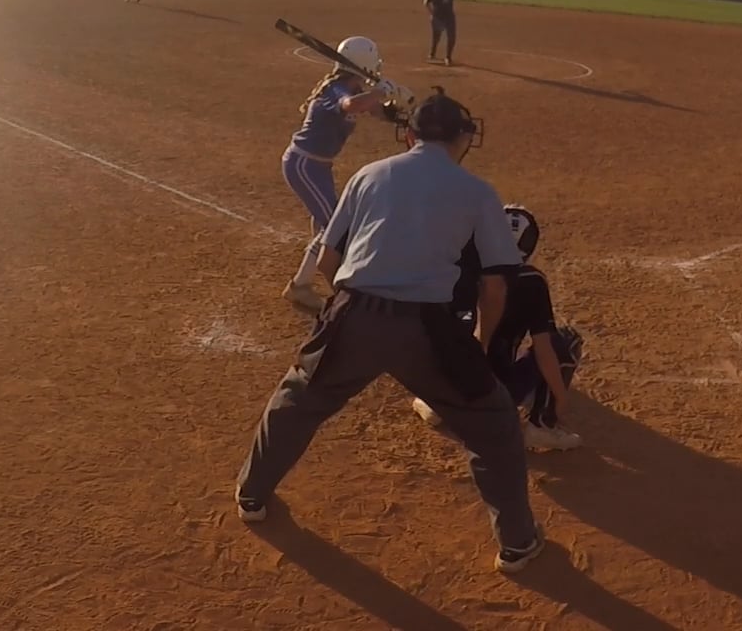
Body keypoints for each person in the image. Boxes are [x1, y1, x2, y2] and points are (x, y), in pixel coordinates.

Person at [235, 88, 545, 574]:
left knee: (296, 400)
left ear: (408, 135)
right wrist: (479, 347)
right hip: (429, 328)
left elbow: (328, 259)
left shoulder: (368, 174)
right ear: (463, 138)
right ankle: (517, 543)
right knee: (494, 424)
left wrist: (348, 309)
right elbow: (494, 286)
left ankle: (252, 494)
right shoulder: (478, 192)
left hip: (355, 313)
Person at [416, 204, 584, 452]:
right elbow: (544, 349)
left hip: (447, 381)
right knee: (567, 341)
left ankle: (434, 402)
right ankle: (542, 426)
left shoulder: (457, 270)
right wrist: (561, 398)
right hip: (490, 393)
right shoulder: (531, 281)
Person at [279, 37, 408, 309]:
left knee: (326, 223)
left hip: (319, 167)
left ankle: (306, 278)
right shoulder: (336, 89)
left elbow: (376, 111)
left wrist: (400, 111)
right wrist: (380, 90)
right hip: (304, 165)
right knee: (333, 228)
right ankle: (300, 287)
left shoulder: (355, 88)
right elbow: (351, 105)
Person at [426, 0, 458, 66]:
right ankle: (432, 53)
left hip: (449, 16)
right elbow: (426, 1)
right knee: (436, 37)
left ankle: (448, 57)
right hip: (438, 17)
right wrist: (432, 13)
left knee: (451, 36)